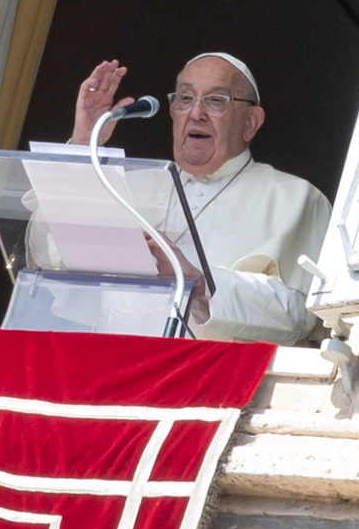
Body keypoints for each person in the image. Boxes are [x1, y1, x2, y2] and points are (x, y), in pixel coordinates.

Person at [69, 53, 331, 344]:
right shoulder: (123, 185)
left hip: (221, 382)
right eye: (185, 98)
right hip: (111, 368)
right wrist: (83, 144)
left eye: (216, 101)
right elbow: (51, 255)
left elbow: (302, 316)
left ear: (251, 122)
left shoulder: (295, 197)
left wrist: (198, 283)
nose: (196, 113)